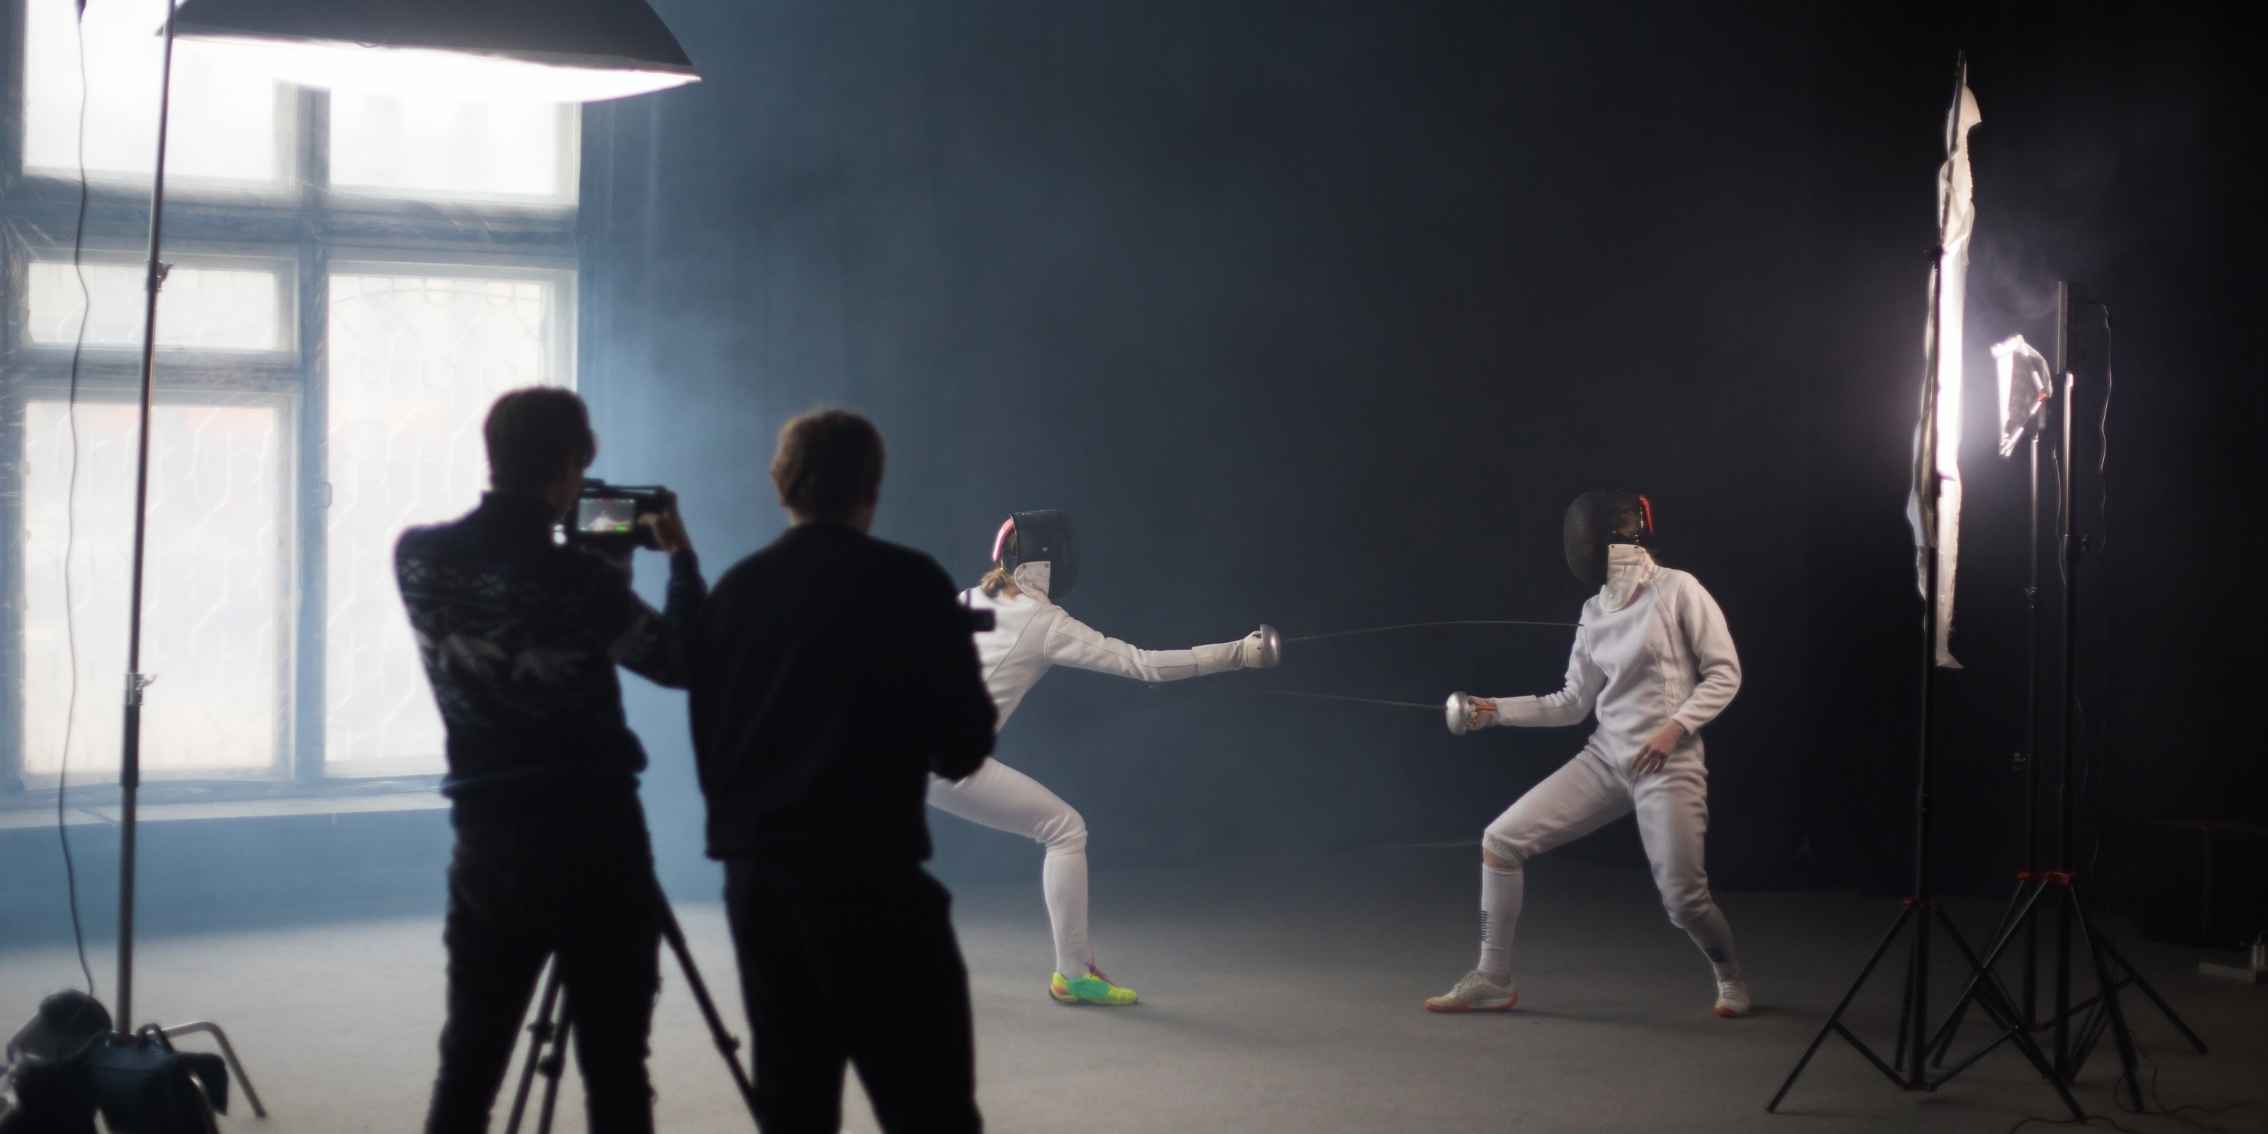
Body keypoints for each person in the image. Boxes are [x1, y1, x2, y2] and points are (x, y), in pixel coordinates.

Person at [397, 388, 702, 1134]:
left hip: (488, 835)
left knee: (469, 1056)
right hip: (595, 839)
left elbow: (533, 599)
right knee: (615, 1067)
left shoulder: (419, 556)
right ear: (570, 467)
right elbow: (681, 661)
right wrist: (679, 558)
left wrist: (600, 565)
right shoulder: (583, 580)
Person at [689, 409, 996, 1134]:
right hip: (875, 883)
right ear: (872, 488)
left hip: (760, 886)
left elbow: (712, 753)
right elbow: (963, 748)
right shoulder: (912, 581)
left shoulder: (736, 590)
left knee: (794, 1106)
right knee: (930, 1107)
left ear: (782, 485)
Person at [1425, 490, 1750, 1018]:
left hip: (1667, 765)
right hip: (1606, 759)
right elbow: (1573, 703)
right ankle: (1491, 977)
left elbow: (1724, 673)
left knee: (1684, 902)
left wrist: (1674, 730)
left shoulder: (1679, 590)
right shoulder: (1594, 611)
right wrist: (1495, 710)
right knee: (1500, 841)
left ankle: (1729, 975)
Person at [942, 509, 1279, 1006]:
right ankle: (1072, 974)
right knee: (1065, 830)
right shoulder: (1042, 620)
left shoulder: (968, 599)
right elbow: (1142, 664)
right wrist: (1238, 653)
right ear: (1048, 560)